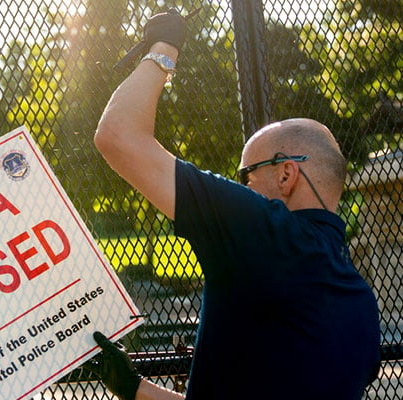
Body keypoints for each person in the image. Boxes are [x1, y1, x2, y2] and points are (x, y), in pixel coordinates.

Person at [87, 9, 381, 400]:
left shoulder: (265, 231)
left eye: (246, 175)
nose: (239, 186)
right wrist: (134, 388)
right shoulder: (361, 307)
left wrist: (163, 49)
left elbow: (118, 136)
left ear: (286, 175)